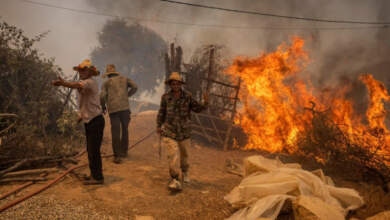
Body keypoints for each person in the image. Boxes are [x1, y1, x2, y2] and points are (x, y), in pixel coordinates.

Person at [52, 59, 105, 185]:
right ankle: (94, 175)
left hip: (95, 120)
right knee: (91, 150)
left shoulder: (89, 82)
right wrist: (81, 115)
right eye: (80, 70)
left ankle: (98, 178)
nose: (81, 72)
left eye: (83, 70)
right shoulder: (86, 82)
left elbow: (77, 85)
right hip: (91, 120)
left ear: (90, 72)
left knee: (94, 150)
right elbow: (86, 102)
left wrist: (63, 83)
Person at [157, 72, 208, 191]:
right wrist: (159, 125)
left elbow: (197, 109)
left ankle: (185, 172)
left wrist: (205, 103)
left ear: (180, 84)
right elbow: (161, 112)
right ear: (170, 84)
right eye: (173, 83)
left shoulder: (188, 97)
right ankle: (175, 178)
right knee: (172, 155)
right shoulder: (165, 97)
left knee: (184, 156)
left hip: (184, 131)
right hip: (170, 131)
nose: (175, 85)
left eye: (177, 83)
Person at [100, 64, 138, 164]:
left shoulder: (106, 83)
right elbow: (135, 87)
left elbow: (102, 96)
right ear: (115, 72)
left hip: (113, 110)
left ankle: (117, 156)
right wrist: (127, 95)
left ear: (108, 74)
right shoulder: (125, 79)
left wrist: (103, 107)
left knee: (116, 132)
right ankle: (124, 152)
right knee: (125, 129)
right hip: (125, 109)